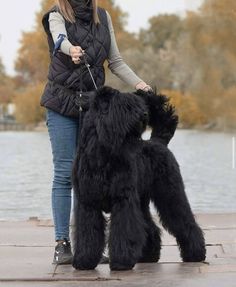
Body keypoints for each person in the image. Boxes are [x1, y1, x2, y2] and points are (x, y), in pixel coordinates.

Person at [40, 0, 152, 265]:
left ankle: (88, 246)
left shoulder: (102, 16)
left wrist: (139, 83)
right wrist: (71, 50)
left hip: (93, 108)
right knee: (66, 172)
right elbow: (59, 40)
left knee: (90, 175)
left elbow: (115, 61)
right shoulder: (56, 14)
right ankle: (61, 243)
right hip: (61, 104)